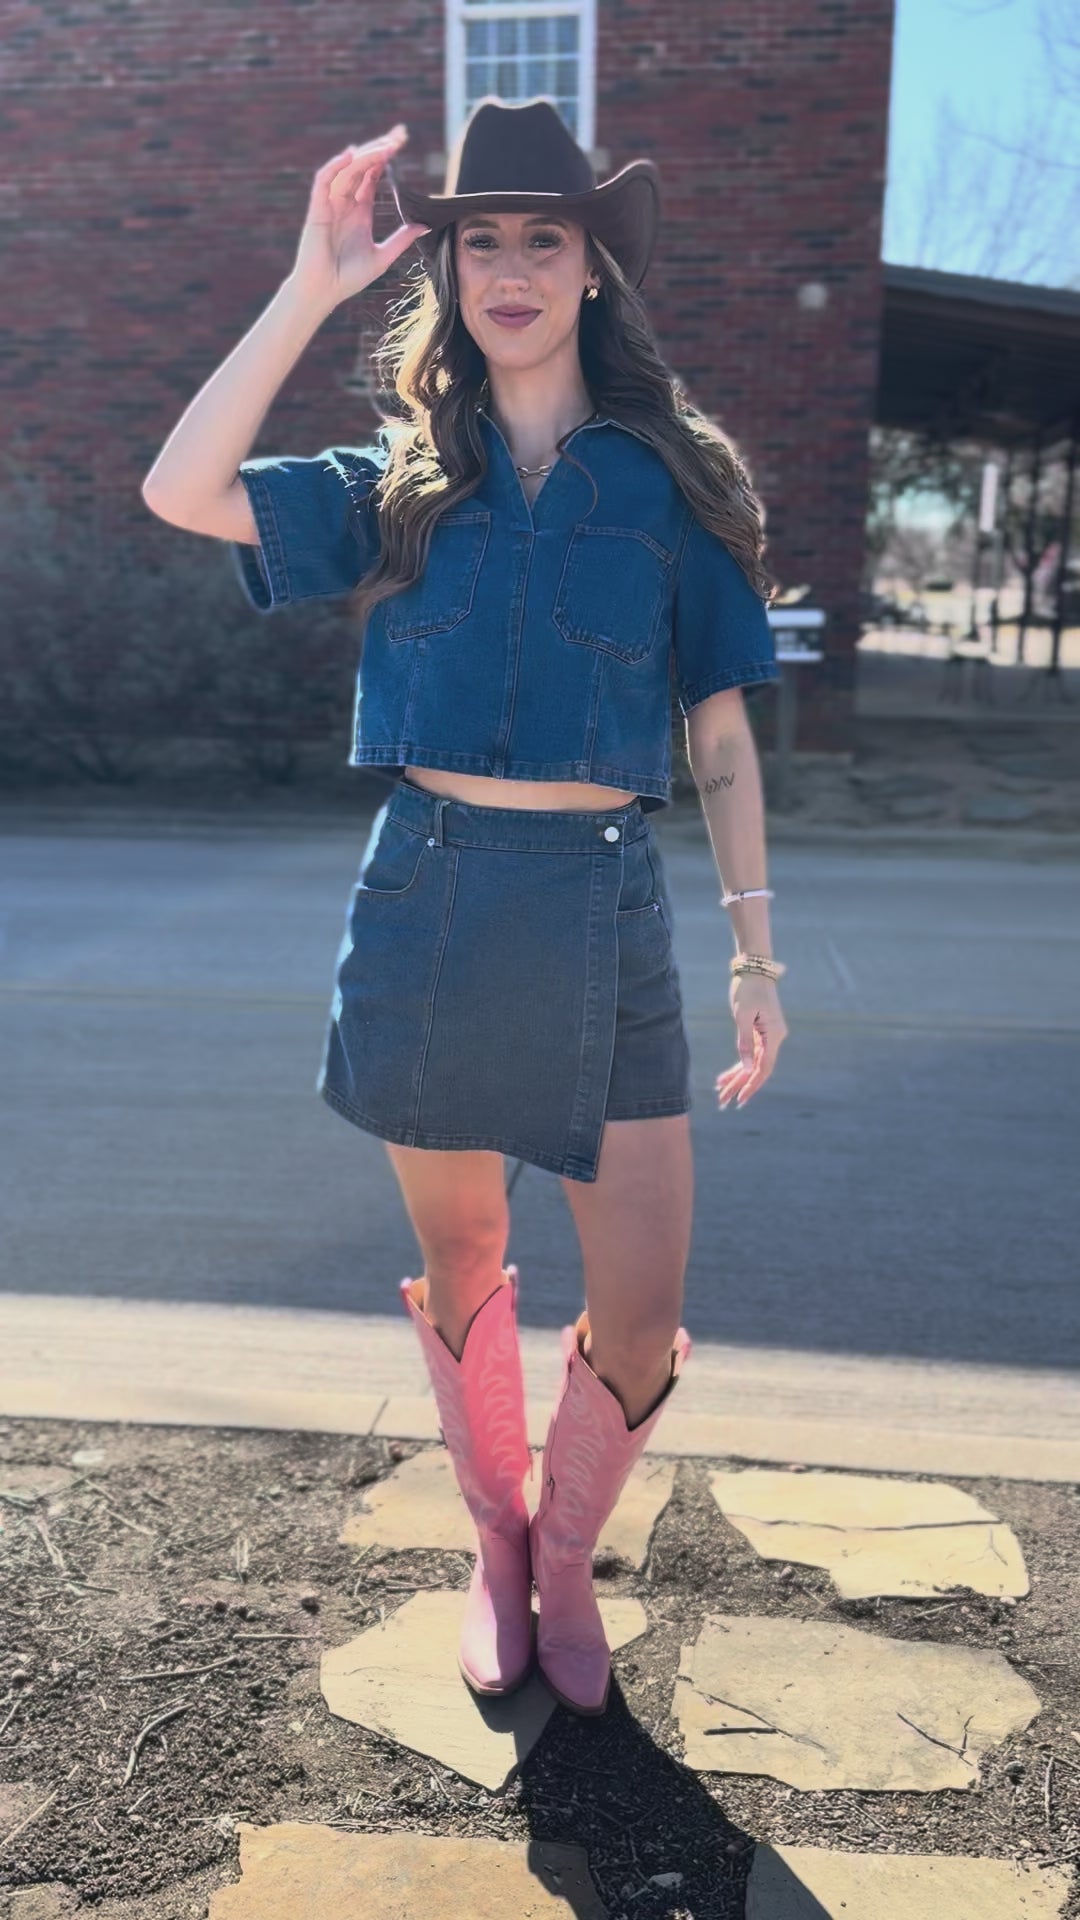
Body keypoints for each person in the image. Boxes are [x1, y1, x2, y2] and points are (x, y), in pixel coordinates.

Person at [142, 96, 789, 1718]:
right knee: (466, 1264)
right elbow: (180, 486)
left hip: (605, 909)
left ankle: (570, 1552)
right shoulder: (398, 482)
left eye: (542, 240)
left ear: (591, 272)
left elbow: (716, 723)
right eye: (479, 240)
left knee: (641, 1308)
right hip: (428, 897)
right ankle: (499, 1550)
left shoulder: (667, 483)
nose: (508, 268)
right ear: (449, 272)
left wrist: (755, 947)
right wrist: (309, 285)